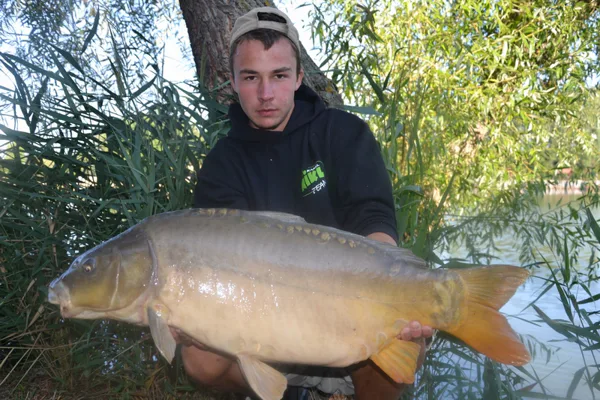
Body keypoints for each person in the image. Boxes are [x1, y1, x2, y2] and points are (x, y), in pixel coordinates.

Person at [172, 7, 433, 400]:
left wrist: (396, 297)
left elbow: (374, 222)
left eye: (278, 76)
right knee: (198, 357)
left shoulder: (343, 133)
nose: (265, 94)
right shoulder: (223, 164)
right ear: (233, 82)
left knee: (403, 346)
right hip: (265, 323)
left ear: (298, 77)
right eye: (251, 77)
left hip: (349, 315)